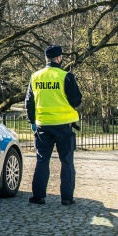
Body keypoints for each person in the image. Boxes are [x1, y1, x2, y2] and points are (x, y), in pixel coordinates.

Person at [24, 45, 82, 205]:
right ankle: (67, 198)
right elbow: (76, 101)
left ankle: (38, 196)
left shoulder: (35, 77)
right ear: (59, 58)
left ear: (46, 58)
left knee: (42, 160)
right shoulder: (66, 77)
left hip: (43, 125)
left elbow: (29, 102)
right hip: (63, 125)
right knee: (67, 161)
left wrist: (32, 121)